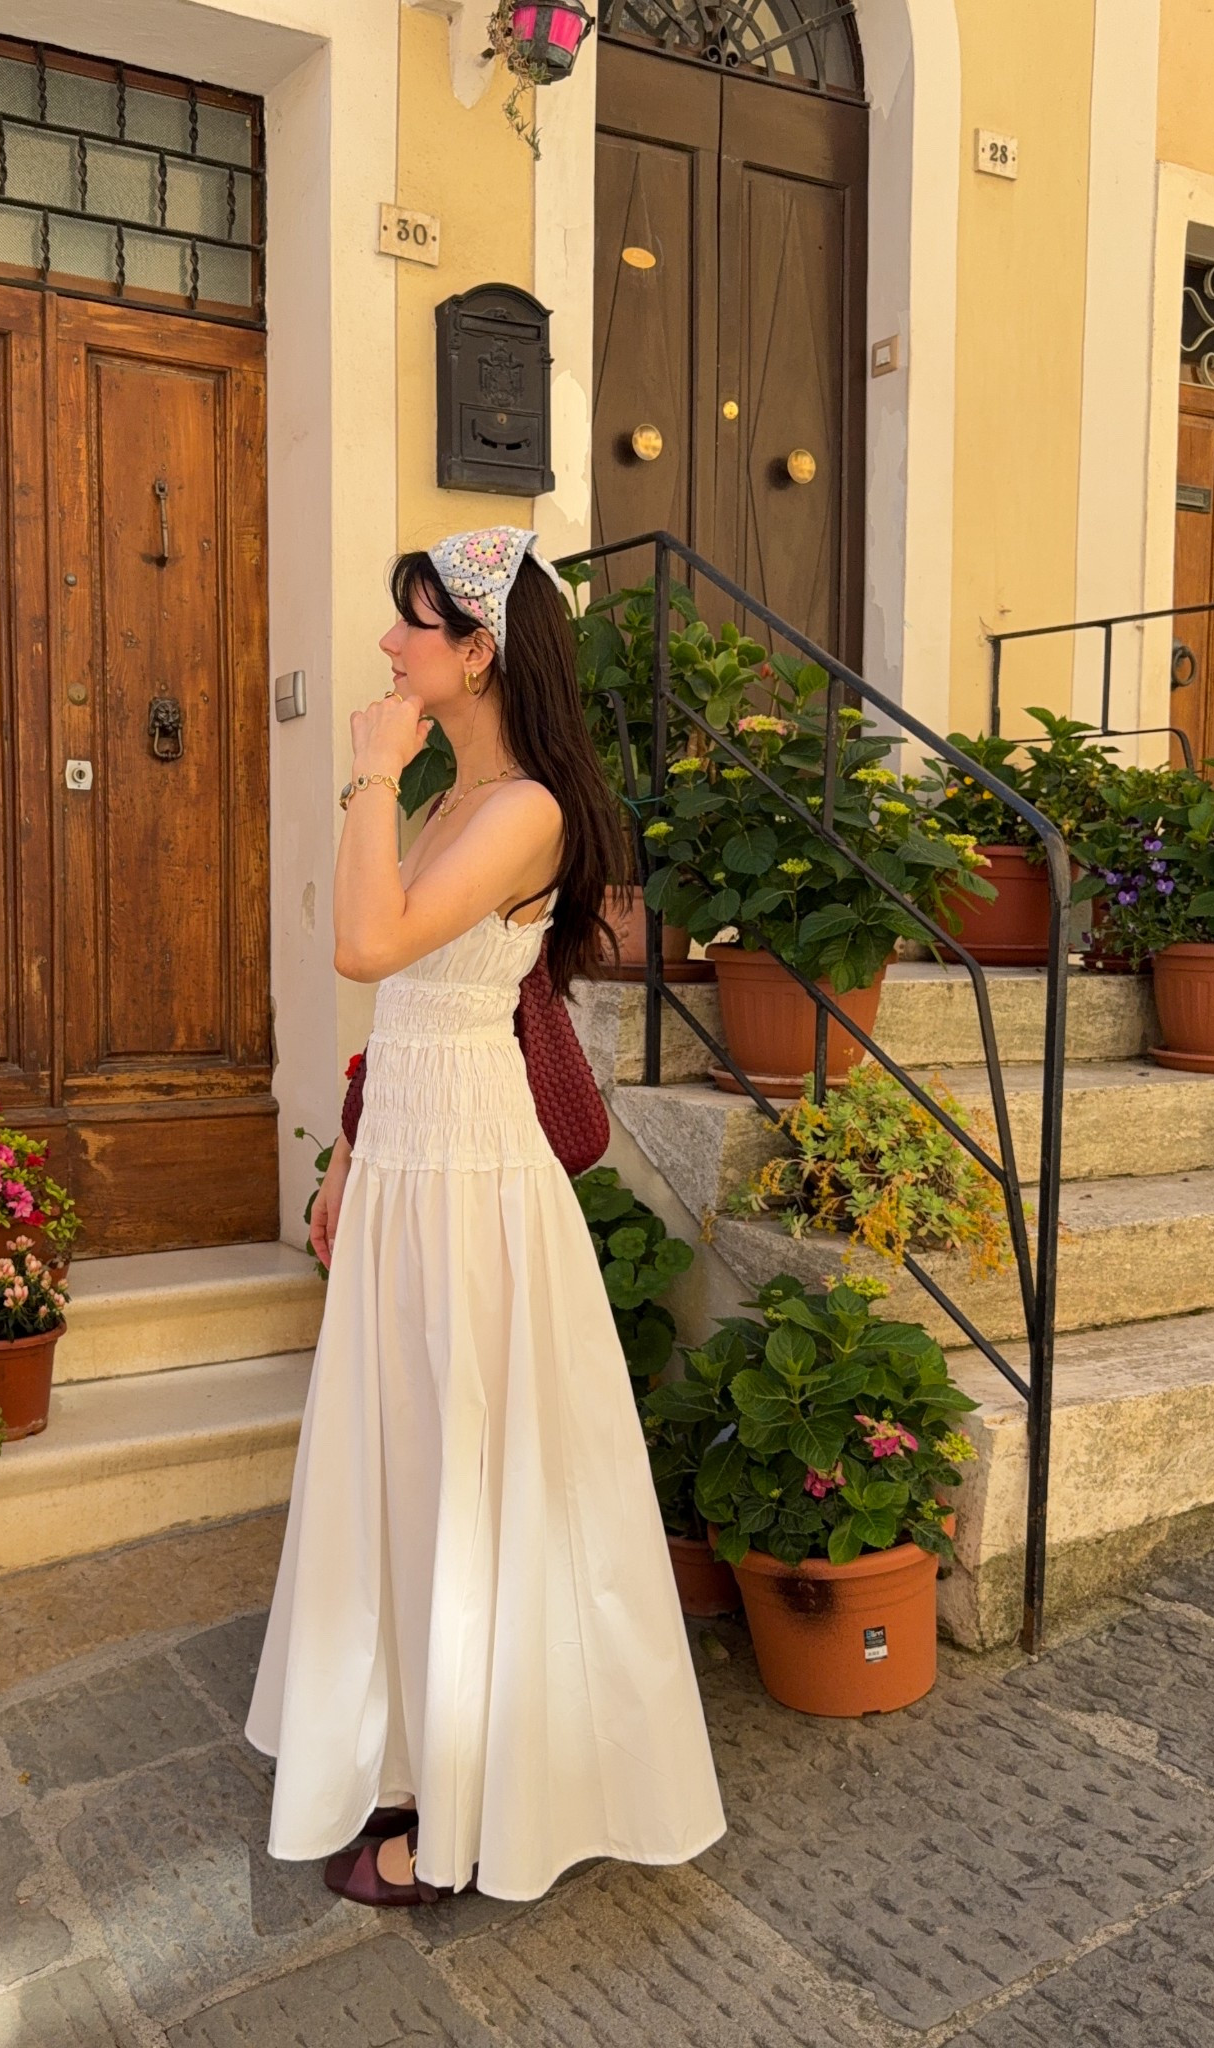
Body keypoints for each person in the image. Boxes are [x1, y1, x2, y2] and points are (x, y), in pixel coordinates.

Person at [245, 526, 725, 1905]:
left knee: (467, 1473)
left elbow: (363, 945)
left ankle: (468, 1810)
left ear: (480, 652)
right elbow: (400, 999)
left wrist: (367, 769)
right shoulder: (454, 796)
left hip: (471, 1187)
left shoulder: (521, 810)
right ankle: (404, 1748)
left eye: (413, 625)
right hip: (408, 1164)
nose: (387, 647)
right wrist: (348, 1154)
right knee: (408, 1466)